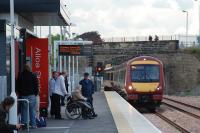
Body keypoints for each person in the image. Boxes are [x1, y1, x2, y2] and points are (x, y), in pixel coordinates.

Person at [17, 64, 39, 129]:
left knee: (24, 110)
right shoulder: (33, 75)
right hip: (32, 95)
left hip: (23, 96)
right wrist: (35, 93)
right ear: (30, 68)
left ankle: (24, 125)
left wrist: (20, 93)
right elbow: (36, 85)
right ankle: (33, 125)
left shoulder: (21, 75)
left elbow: (18, 86)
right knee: (32, 110)